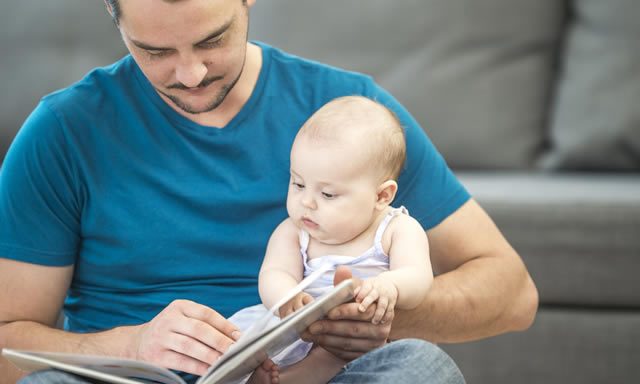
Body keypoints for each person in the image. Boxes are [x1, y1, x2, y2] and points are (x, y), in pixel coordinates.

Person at [0, 1, 538, 383]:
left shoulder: (353, 119)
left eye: (212, 40)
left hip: (323, 376)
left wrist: (369, 316)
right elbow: (6, 340)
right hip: (141, 378)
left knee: (418, 368)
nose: (190, 74)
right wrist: (129, 345)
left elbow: (512, 294)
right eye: (154, 51)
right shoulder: (64, 131)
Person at [232, 96, 433, 384]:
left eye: (327, 194)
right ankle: (261, 376)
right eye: (298, 184)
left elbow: (419, 278)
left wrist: (390, 285)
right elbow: (275, 272)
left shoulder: (396, 229)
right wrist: (286, 298)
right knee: (241, 343)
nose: (307, 202)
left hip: (356, 343)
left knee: (397, 358)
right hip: (295, 332)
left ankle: (290, 379)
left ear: (381, 196)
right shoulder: (293, 232)